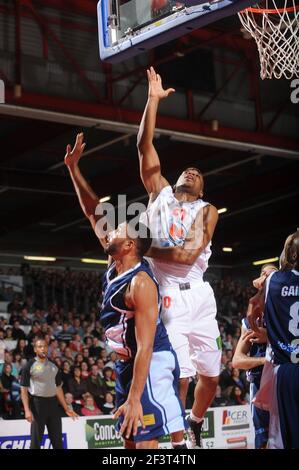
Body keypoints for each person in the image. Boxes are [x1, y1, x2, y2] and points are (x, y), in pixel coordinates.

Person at [65, 135, 186, 449]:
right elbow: (93, 211)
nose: (112, 227)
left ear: (130, 245)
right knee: (129, 441)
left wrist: (135, 396)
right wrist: (73, 169)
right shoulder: (114, 261)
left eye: (119, 228)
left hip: (149, 360)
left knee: (145, 440)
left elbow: (145, 346)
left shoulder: (141, 284)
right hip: (126, 363)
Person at [137, 66, 221, 447]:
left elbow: (187, 256)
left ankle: (194, 420)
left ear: (201, 187)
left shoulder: (208, 210)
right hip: (168, 291)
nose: (191, 171)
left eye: (198, 172)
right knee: (180, 373)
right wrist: (152, 101)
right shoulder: (161, 193)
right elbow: (144, 146)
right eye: (188, 169)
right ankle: (177, 439)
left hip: (200, 291)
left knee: (213, 375)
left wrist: (142, 247)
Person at [247, 230, 299, 449]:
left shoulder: (273, 280)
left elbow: (252, 310)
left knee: (285, 440)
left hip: (286, 370)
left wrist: (262, 330)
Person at [233, 264, 277, 448]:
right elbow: (237, 361)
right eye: (262, 273)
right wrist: (264, 362)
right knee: (263, 442)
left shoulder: (285, 314)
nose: (265, 276)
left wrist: (270, 336)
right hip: (259, 385)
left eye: (270, 274)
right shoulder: (250, 321)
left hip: (281, 380)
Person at [20, 335, 78, 449]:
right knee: (35, 442)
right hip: (37, 405)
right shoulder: (29, 365)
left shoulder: (54, 366)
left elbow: (58, 388)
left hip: (53, 405)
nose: (43, 349)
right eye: (40, 347)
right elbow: (23, 390)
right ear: (35, 349)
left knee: (58, 442)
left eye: (45, 346)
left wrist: (66, 408)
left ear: (48, 348)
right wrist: (27, 410)